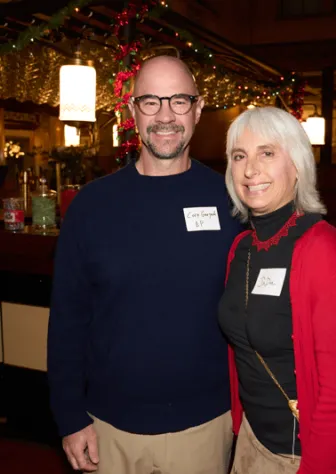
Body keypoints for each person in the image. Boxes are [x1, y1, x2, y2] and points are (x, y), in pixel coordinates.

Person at [48, 55, 241, 474]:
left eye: (179, 101)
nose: (166, 115)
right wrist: (69, 417)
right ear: (133, 111)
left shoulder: (232, 202)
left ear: (200, 108)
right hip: (107, 431)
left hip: (206, 428)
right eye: (151, 101)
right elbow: (67, 321)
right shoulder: (91, 206)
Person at [218, 106, 336, 474]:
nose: (250, 169)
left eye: (267, 153)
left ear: (298, 165)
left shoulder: (327, 253)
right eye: (239, 156)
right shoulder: (241, 248)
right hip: (252, 441)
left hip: (303, 456)